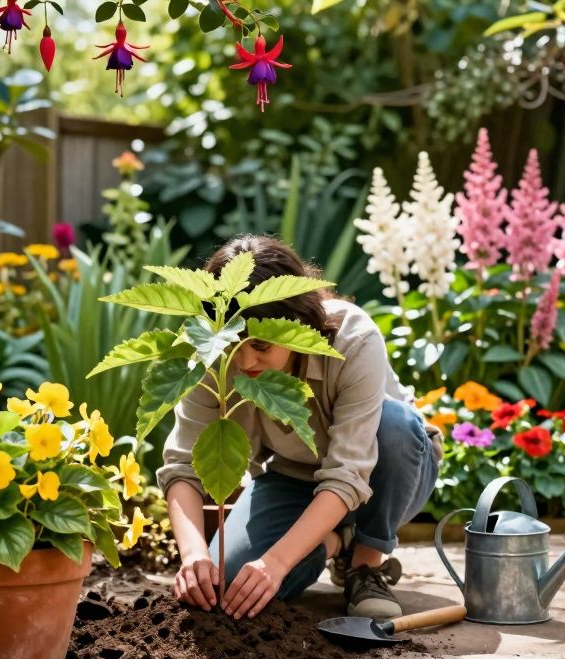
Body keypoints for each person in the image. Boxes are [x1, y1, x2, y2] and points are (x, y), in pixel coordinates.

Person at [159, 235, 444, 621]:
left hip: (387, 471)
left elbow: (349, 471)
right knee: (230, 588)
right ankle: (334, 542)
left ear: (299, 324)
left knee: (394, 423)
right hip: (295, 474)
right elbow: (182, 465)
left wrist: (275, 562)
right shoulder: (209, 355)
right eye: (233, 345)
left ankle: (365, 564)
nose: (244, 362)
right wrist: (193, 556)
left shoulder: (352, 338)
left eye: (261, 346)